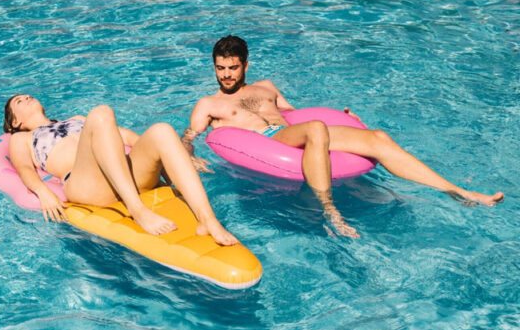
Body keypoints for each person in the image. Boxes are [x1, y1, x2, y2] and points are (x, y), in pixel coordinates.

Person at [181, 35, 504, 238]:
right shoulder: (209, 104)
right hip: (266, 141)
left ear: (245, 65)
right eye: (220, 68)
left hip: (290, 132)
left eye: (232, 68)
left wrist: (348, 121)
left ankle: (458, 191)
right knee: (317, 130)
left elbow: (297, 115)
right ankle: (330, 211)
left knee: (378, 138)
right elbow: (189, 136)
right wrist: (190, 154)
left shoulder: (266, 87)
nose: (226, 75)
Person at [3, 95, 240, 246]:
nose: (27, 97)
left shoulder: (76, 119)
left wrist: (173, 159)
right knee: (102, 112)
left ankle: (207, 220)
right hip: (86, 183)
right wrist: (43, 191)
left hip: (123, 174)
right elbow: (24, 167)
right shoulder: (23, 138)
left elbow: (127, 137)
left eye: (27, 96)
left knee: (162, 130)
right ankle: (136, 209)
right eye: (19, 102)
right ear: (15, 122)